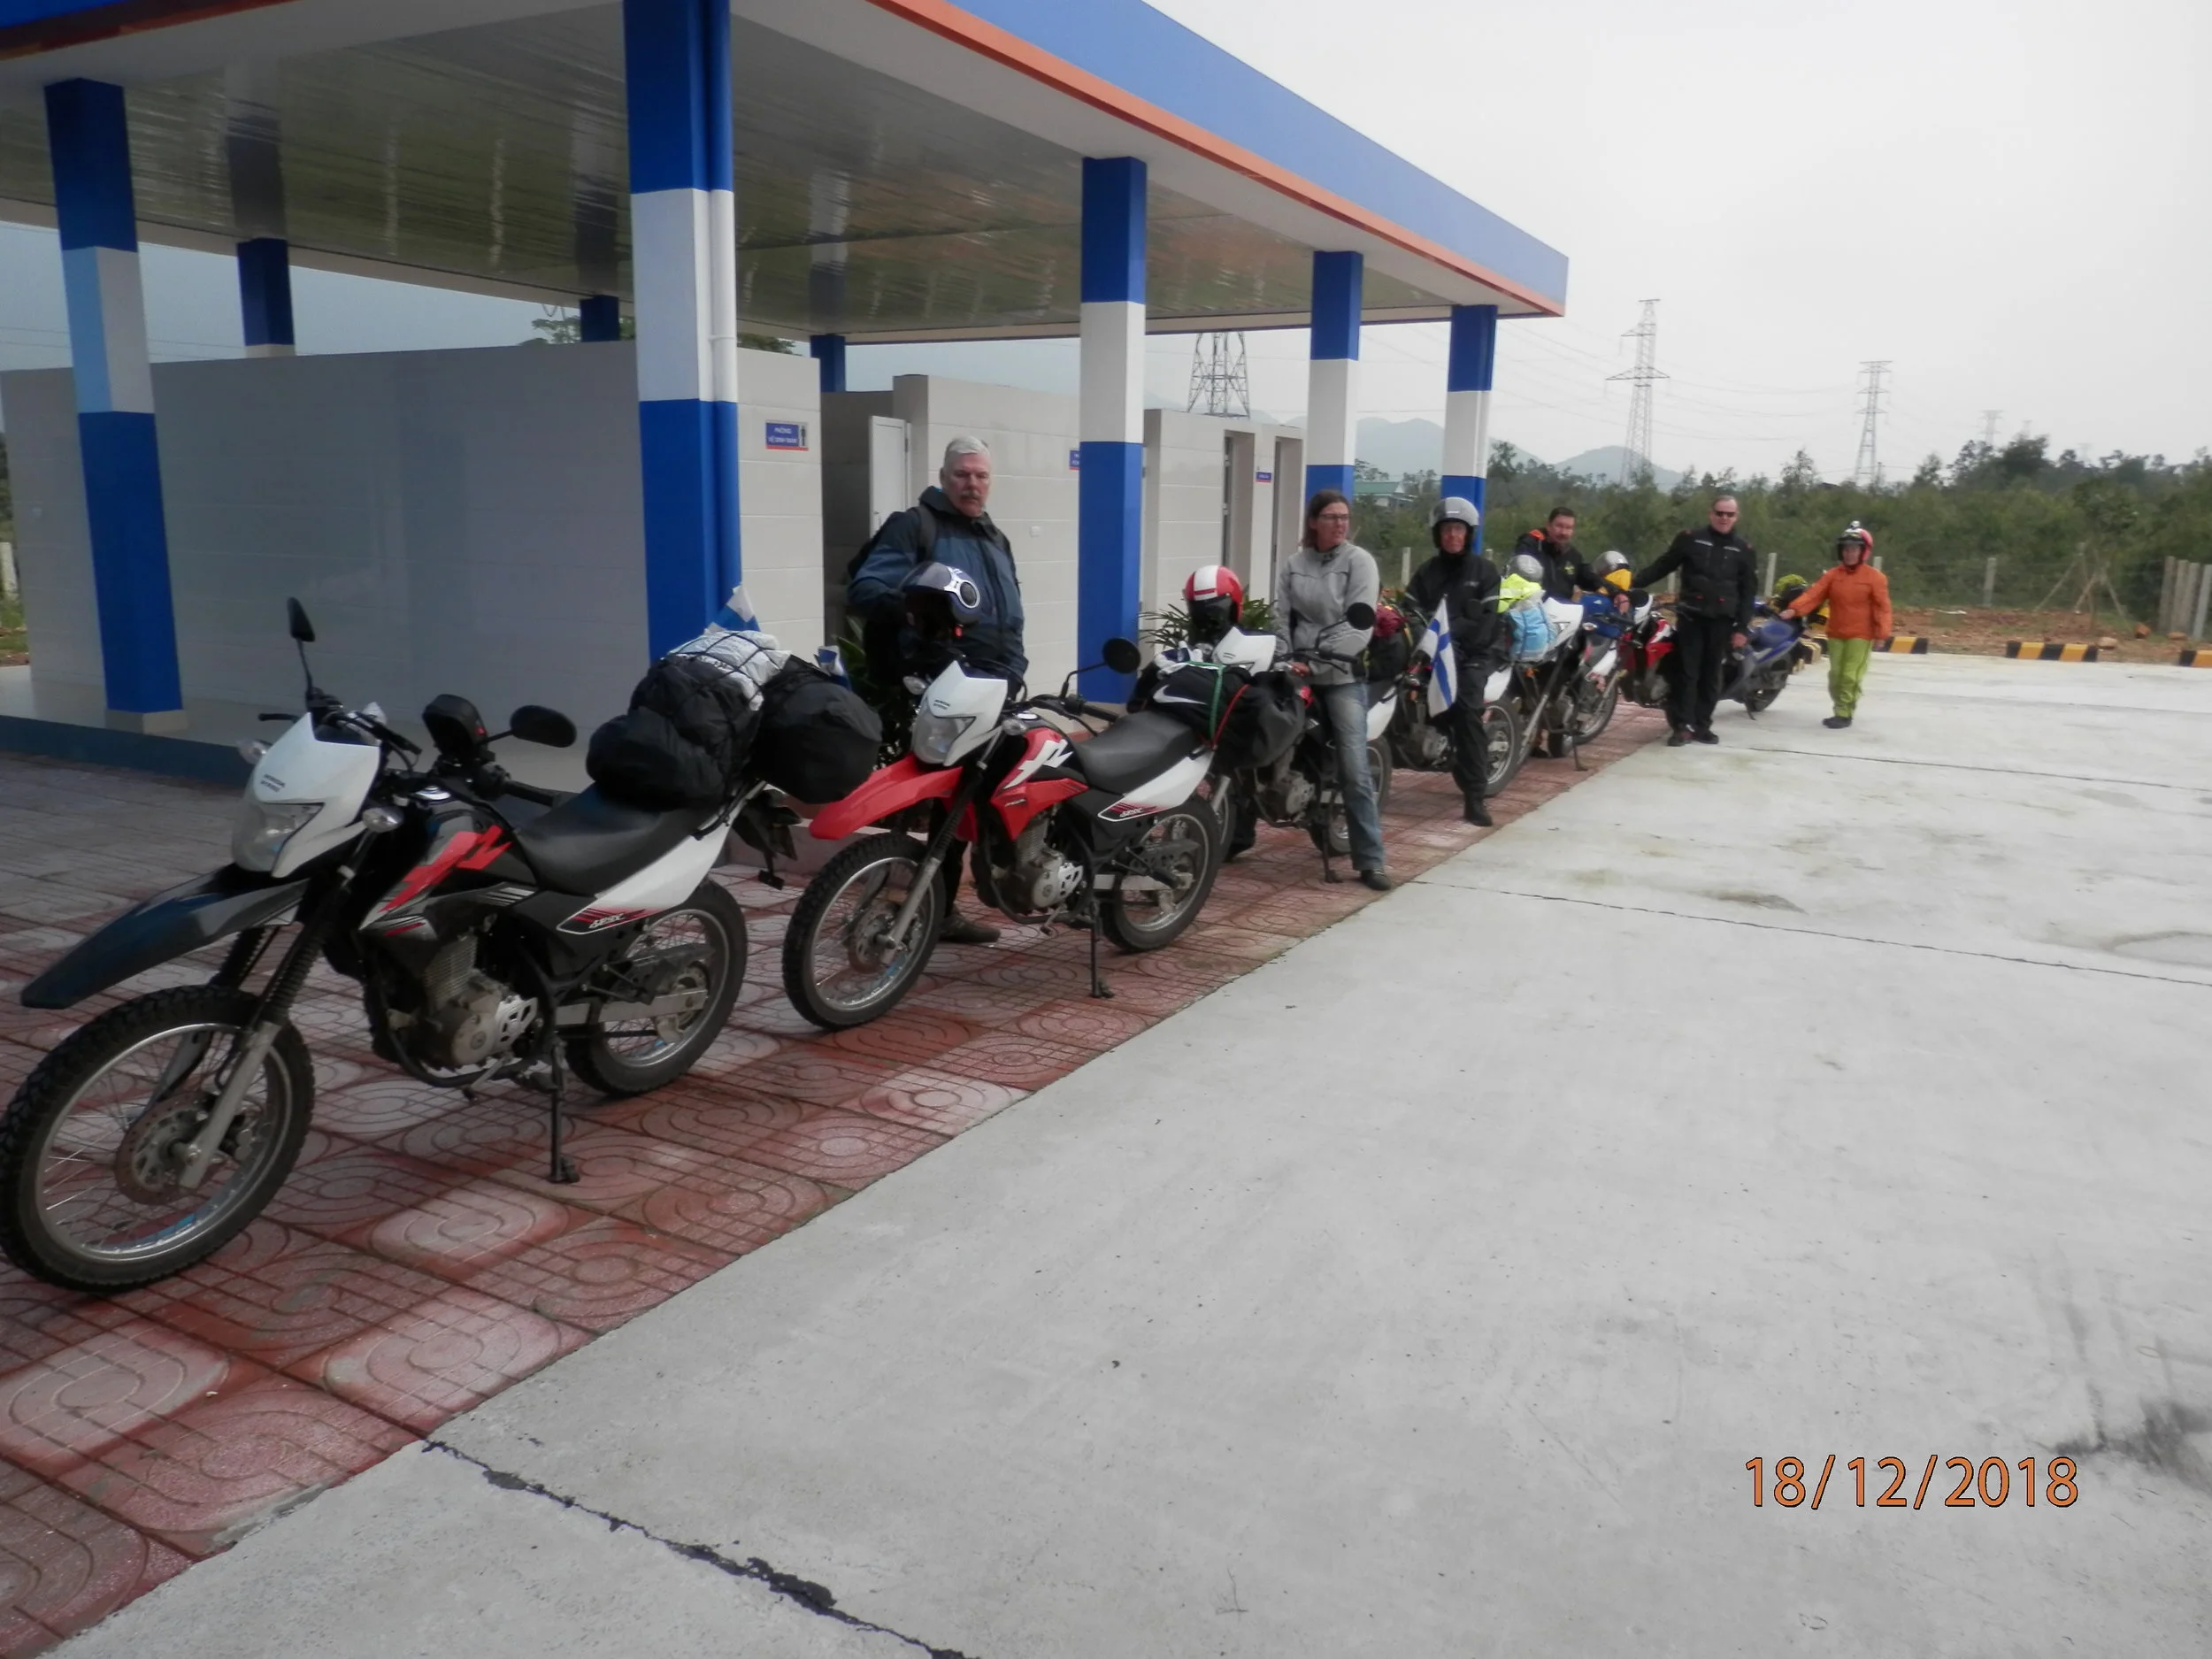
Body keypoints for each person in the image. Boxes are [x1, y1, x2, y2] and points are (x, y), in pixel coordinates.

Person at [847, 435, 1025, 943]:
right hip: (940, 685)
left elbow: (1008, 613)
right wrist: (918, 610)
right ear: (944, 477)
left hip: (995, 684)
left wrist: (1015, 667)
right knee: (942, 798)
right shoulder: (914, 526)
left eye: (981, 475)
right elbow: (866, 590)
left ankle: (958, 898)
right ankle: (913, 904)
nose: (972, 484)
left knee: (984, 790)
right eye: (962, 475)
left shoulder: (994, 537)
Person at [1275, 489, 1391, 890]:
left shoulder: (1360, 562)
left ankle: (1371, 860)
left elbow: (1359, 626)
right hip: (1298, 671)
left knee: (1354, 769)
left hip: (1341, 676)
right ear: (1313, 522)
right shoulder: (1294, 564)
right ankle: (1237, 835)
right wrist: (1284, 657)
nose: (1340, 524)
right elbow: (1280, 617)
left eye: (1344, 517)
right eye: (1331, 517)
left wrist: (1317, 663)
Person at [1407, 495, 1505, 826]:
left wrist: (1457, 642)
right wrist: (1420, 634)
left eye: (1459, 529)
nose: (1452, 535)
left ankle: (1475, 797)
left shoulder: (1485, 571)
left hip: (1475, 654)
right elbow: (1410, 610)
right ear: (1438, 533)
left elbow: (1487, 621)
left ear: (1469, 533)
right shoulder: (1426, 572)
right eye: (1447, 529)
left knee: (1466, 709)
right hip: (1433, 652)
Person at [1633, 495, 1758, 746]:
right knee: (1687, 673)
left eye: (1729, 514)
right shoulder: (1690, 538)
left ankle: (1702, 726)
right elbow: (1663, 566)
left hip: (1722, 622)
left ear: (1737, 517)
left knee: (1711, 675)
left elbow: (1748, 592)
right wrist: (1631, 585)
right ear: (1710, 513)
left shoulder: (1744, 549)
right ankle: (1682, 726)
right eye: (1719, 513)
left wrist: (1742, 627)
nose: (1724, 518)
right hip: (1691, 617)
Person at [1779, 522, 1892, 729]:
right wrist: (1794, 610)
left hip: (1861, 635)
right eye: (1846, 549)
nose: (1849, 553)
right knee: (1835, 676)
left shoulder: (1875, 578)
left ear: (1863, 552)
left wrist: (1882, 634)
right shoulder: (1833, 575)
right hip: (1837, 633)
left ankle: (1844, 712)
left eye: (1854, 549)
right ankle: (1840, 706)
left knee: (1850, 676)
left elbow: (1882, 607)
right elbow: (1814, 595)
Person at [1512, 507, 1601, 603]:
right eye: (1559, 526)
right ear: (1548, 526)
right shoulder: (1532, 545)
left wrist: (1611, 590)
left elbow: (1589, 578)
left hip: (1562, 609)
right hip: (1531, 606)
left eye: (1568, 528)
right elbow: (1519, 570)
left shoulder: (1573, 556)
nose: (1563, 532)